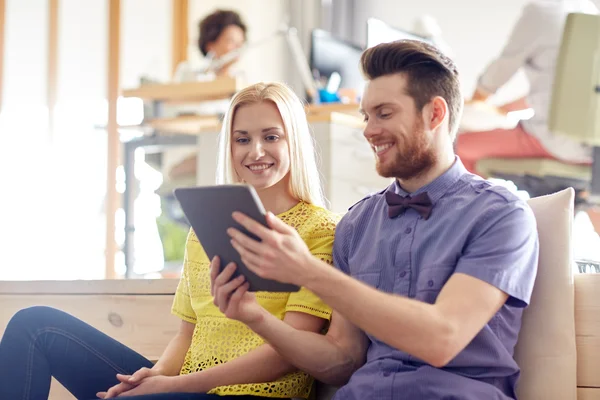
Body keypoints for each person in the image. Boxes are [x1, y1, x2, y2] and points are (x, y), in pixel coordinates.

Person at [212, 40, 539, 399]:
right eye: (366, 116)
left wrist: (308, 271)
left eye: (384, 113)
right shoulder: (357, 224)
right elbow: (341, 361)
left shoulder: (500, 215)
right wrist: (255, 317)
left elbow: (442, 338)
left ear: (435, 114)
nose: (368, 130)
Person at [0, 82, 339, 400]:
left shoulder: (319, 230)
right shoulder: (208, 224)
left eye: (271, 136)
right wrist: (152, 376)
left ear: (293, 141)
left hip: (247, 394)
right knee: (34, 325)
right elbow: (187, 334)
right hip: (186, 388)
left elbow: (290, 354)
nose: (256, 151)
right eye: (242, 139)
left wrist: (173, 386)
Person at [455, 0, 598, 175]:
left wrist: (476, 102)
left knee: (455, 149)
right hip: (593, 151)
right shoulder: (591, 14)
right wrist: (502, 109)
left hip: (556, 144)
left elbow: (499, 72)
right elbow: (559, 93)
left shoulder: (543, 11)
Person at [173, 9, 247, 82]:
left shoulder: (241, 78)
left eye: (240, 42)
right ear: (210, 45)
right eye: (231, 41)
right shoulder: (188, 72)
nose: (238, 47)